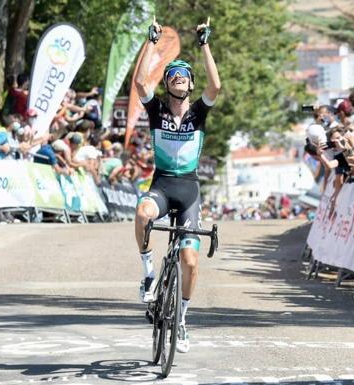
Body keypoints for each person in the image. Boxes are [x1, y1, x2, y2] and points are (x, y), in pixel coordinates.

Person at [133, 17, 221, 354]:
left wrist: (204, 44)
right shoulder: (156, 110)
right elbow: (140, 81)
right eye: (173, 75)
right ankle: (148, 274)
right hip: (162, 184)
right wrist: (152, 42)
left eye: (184, 75)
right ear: (168, 83)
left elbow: (215, 86)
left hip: (189, 190)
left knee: (191, 261)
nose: (179, 77)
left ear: (190, 83)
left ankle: (182, 320)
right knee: (143, 212)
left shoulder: (199, 112)